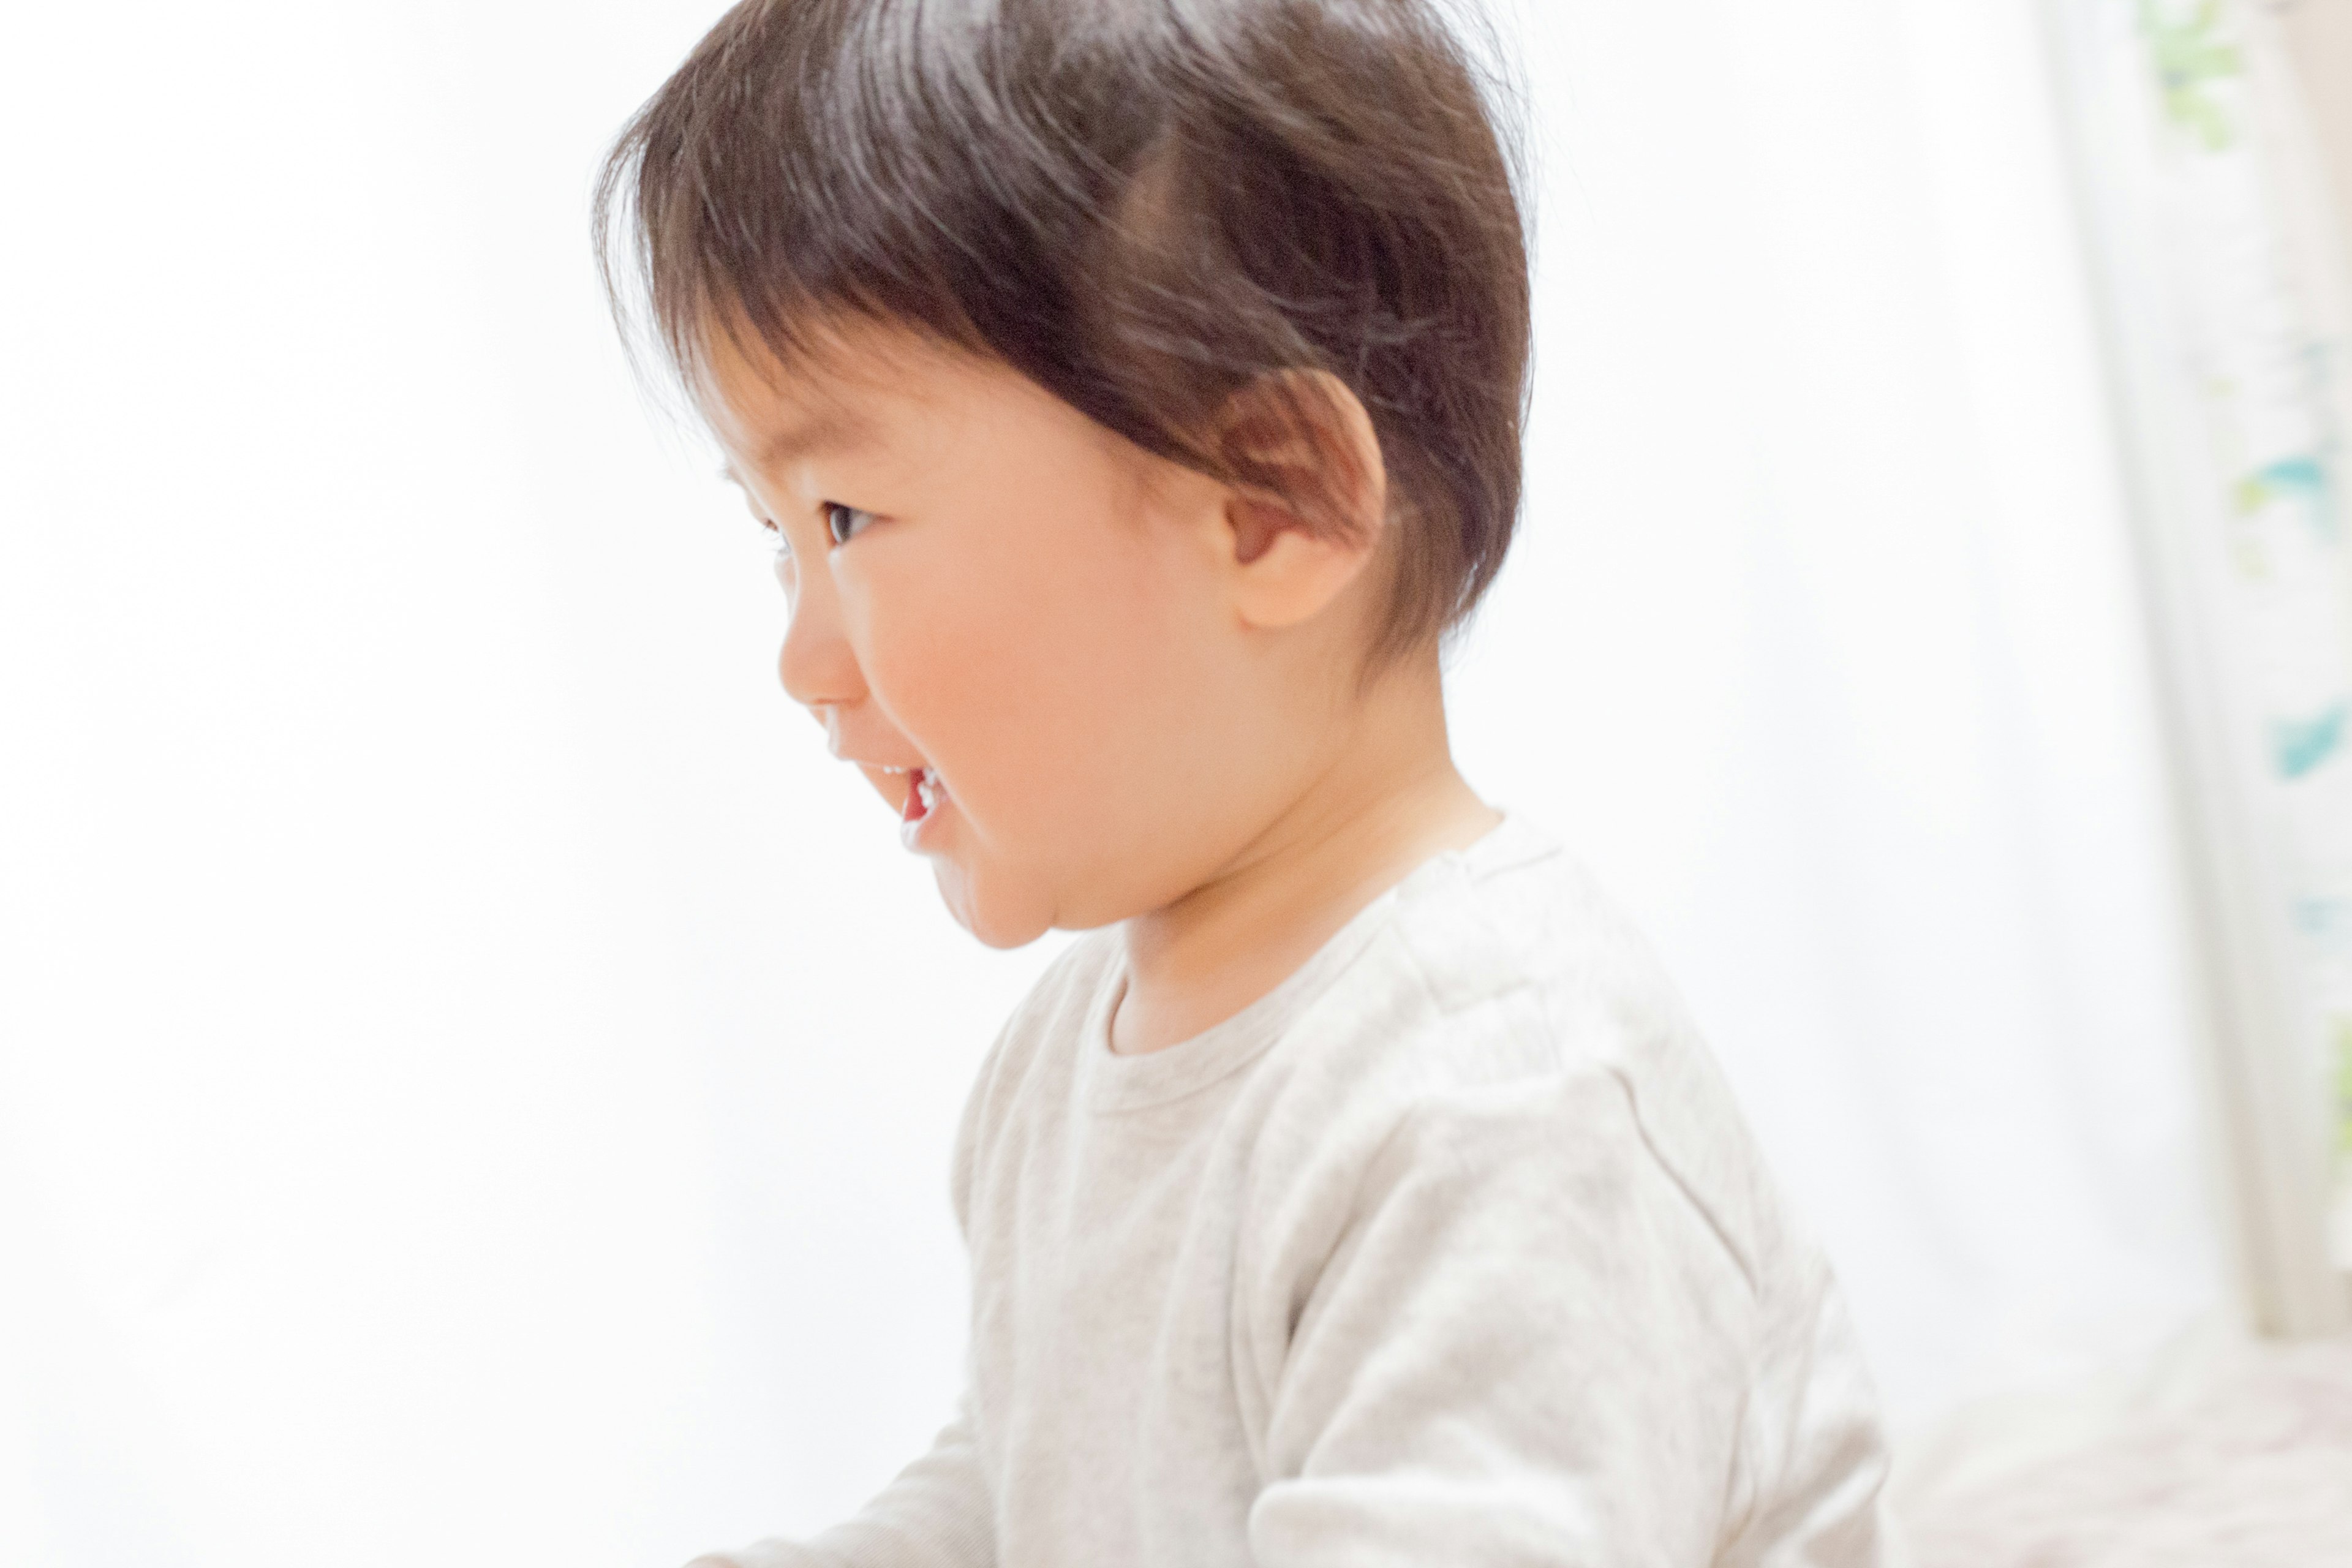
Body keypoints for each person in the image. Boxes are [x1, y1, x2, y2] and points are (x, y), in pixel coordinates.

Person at [593, 0, 1893, 1562]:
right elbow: (1029, 1481)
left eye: (849, 516)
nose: (804, 657)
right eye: (774, 535)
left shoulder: (1503, 1093)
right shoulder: (1064, 1066)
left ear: (1270, 506)